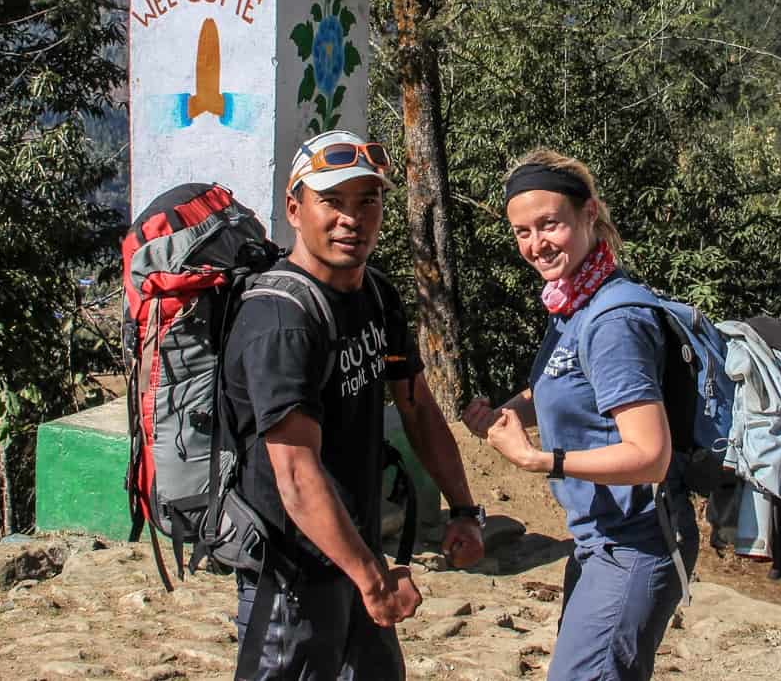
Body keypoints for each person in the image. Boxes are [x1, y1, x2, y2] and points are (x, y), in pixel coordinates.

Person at [223, 129, 486, 680]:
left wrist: (463, 508)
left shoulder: (376, 296)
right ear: (295, 209)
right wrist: (373, 580)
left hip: (356, 554)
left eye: (368, 201)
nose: (353, 218)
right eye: (332, 201)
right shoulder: (280, 322)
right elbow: (295, 475)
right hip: (292, 571)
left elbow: (416, 407)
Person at [462, 148, 699, 681]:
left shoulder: (614, 320)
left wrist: (538, 459)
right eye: (522, 231)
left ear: (589, 213)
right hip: (600, 540)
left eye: (549, 225)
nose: (535, 244)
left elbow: (650, 456)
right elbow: (565, 382)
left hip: (637, 541)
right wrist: (513, 410)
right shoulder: (573, 303)